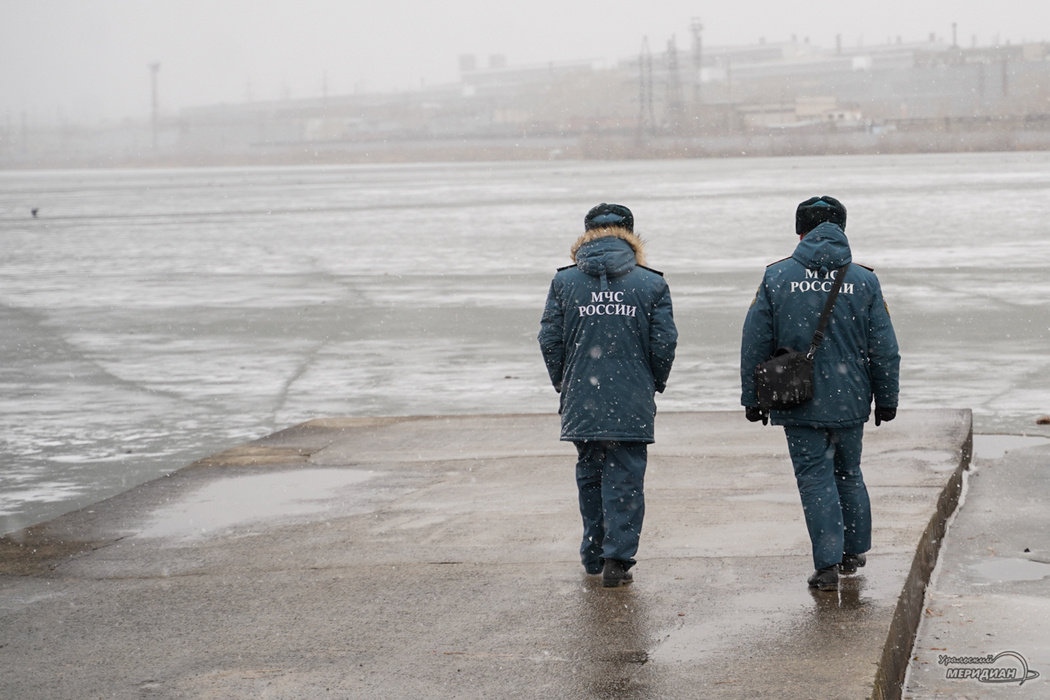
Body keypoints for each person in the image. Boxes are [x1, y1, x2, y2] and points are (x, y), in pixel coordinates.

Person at [740, 196, 900, 592]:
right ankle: (853, 551)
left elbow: (754, 342)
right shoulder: (864, 280)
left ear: (800, 232)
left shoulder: (776, 277)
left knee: (814, 478)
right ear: (843, 229)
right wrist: (887, 397)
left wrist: (752, 397)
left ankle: (826, 565)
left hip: (797, 398)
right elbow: (884, 348)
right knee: (849, 472)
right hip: (850, 399)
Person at [538, 203, 678, 588]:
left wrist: (564, 382)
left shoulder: (565, 282)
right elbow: (664, 342)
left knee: (590, 473)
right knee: (626, 477)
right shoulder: (650, 283)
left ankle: (593, 553)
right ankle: (618, 558)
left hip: (583, 394)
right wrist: (653, 381)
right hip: (631, 395)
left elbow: (549, 339)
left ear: (586, 235)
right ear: (632, 234)